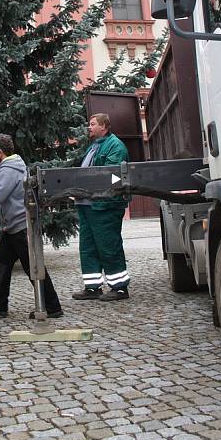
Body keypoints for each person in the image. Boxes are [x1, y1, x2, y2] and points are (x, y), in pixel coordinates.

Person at [0, 134, 63, 319]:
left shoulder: (8, 169)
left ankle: (52, 306)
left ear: (1, 152)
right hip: (14, 227)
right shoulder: (14, 165)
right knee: (2, 263)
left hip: (20, 227)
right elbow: (11, 192)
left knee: (32, 267)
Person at [72, 113, 131, 302]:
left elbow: (111, 176)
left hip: (104, 206)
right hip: (88, 205)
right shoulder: (95, 146)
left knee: (108, 246)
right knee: (88, 247)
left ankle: (120, 288)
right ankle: (92, 287)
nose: (89, 127)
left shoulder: (115, 146)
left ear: (104, 127)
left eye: (92, 124)